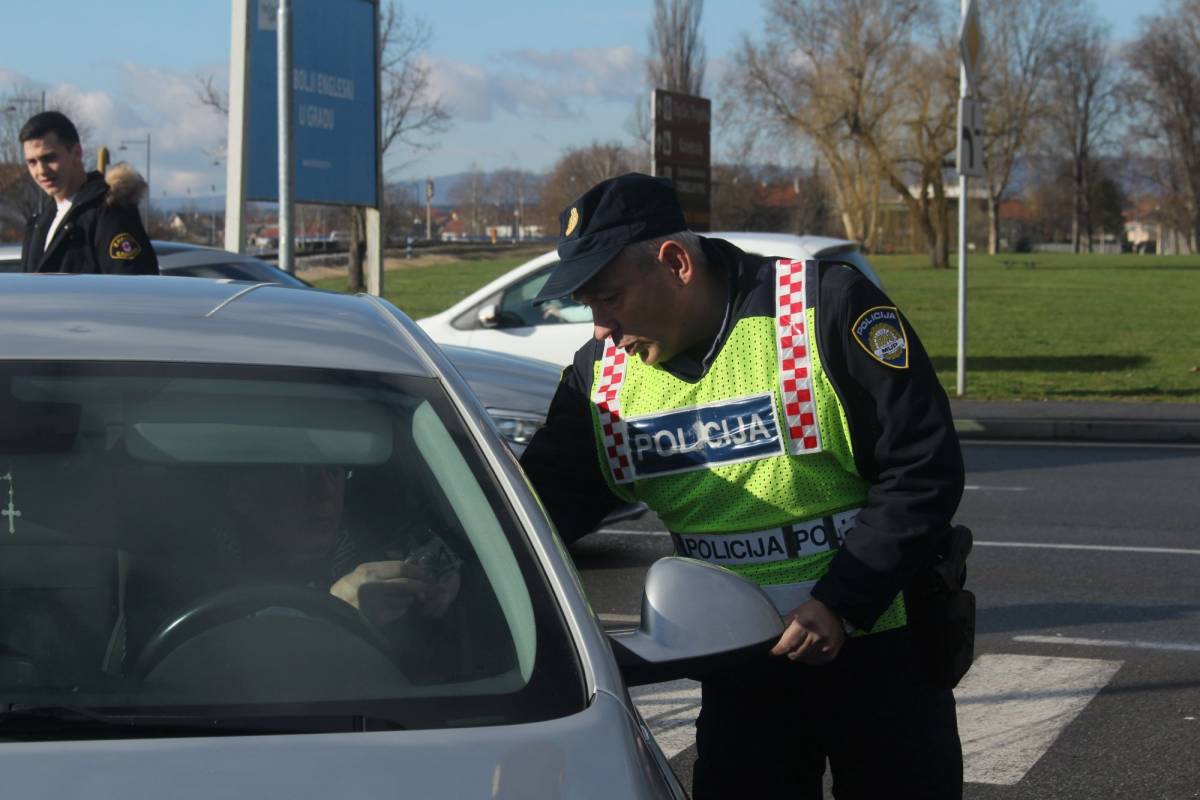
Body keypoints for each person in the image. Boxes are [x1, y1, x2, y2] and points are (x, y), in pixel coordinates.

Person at [518, 173, 967, 799]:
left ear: (675, 263)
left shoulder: (824, 309)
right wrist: (442, 561)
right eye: (588, 306)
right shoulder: (602, 380)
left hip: (884, 653)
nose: (600, 328)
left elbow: (922, 468)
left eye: (609, 298)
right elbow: (538, 504)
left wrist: (841, 601)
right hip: (741, 670)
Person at [18, 111, 158, 275]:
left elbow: (131, 284)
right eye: (32, 162)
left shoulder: (110, 211)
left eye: (49, 158)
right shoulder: (39, 222)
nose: (41, 170)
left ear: (76, 153)